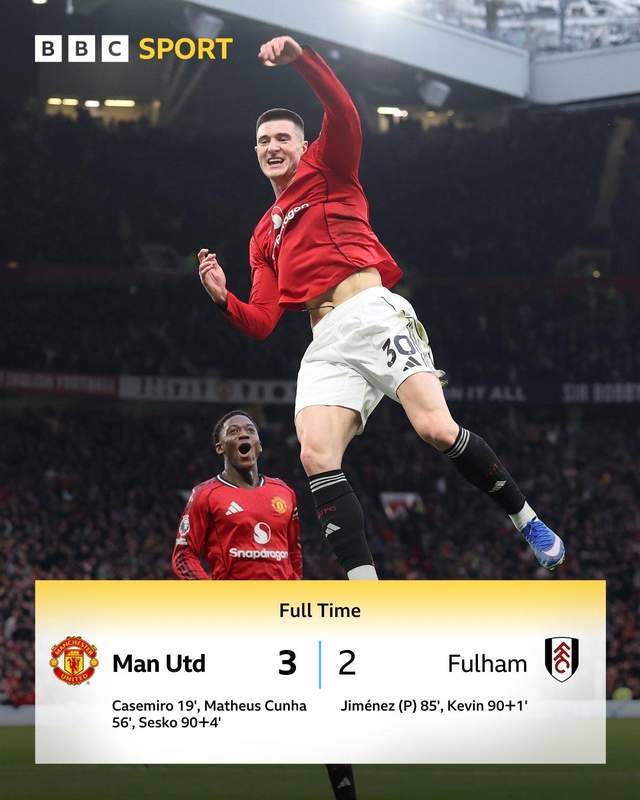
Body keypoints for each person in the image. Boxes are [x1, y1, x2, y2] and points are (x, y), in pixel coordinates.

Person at [196, 36, 565, 579]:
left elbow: (343, 110)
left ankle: (526, 519)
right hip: (325, 343)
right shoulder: (261, 236)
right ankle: (364, 587)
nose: (272, 146)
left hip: (372, 313)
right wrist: (223, 298)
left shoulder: (328, 167)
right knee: (315, 455)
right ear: (255, 153)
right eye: (263, 141)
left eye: (282, 138)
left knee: (436, 428)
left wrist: (301, 59)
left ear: (303, 145)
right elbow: (264, 321)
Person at [172, 410, 358, 800]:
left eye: (250, 430)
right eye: (233, 431)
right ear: (220, 447)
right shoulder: (206, 495)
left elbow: (294, 555)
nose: (243, 434)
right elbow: (184, 555)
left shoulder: (284, 493)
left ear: (259, 444)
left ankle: (345, 792)